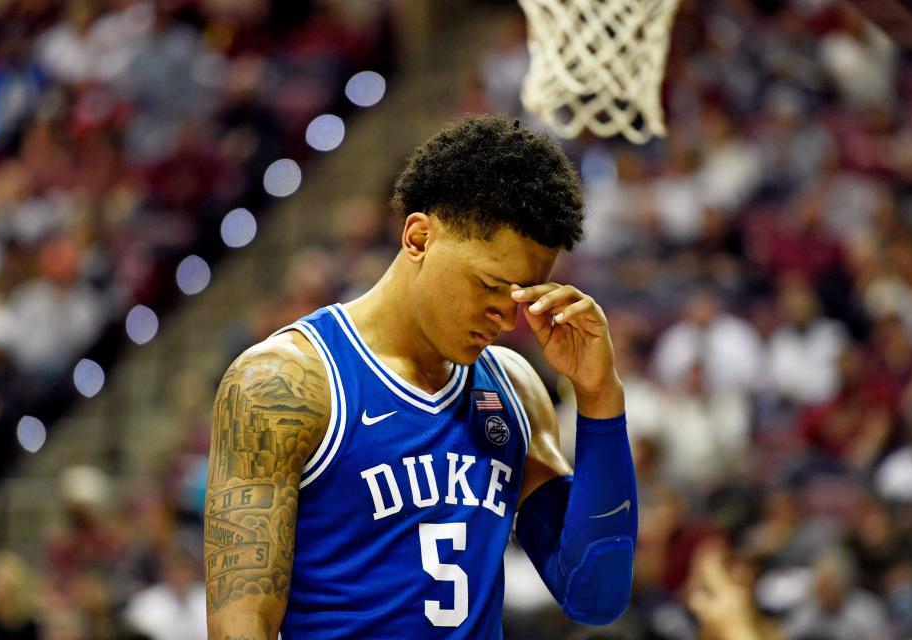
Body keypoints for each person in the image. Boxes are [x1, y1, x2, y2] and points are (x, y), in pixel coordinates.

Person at [204, 114, 638, 638]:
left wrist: (599, 398)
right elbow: (239, 628)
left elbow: (595, 595)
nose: (506, 318)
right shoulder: (284, 383)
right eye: (489, 285)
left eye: (521, 294)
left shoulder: (515, 390)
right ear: (418, 237)